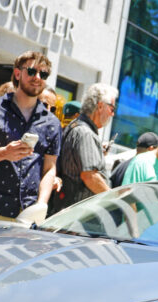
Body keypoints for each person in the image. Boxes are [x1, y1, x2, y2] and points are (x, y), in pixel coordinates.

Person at [0, 51, 61, 223]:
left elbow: (49, 169)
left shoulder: (52, 123)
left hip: (28, 214)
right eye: (32, 71)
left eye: (44, 74)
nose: (38, 77)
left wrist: (41, 205)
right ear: (18, 73)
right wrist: (4, 153)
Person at [46, 83, 117, 217]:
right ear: (100, 105)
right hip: (75, 217)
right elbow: (90, 176)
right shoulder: (85, 133)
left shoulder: (76, 126)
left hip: (67, 212)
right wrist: (113, 199)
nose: (113, 114)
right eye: (112, 108)